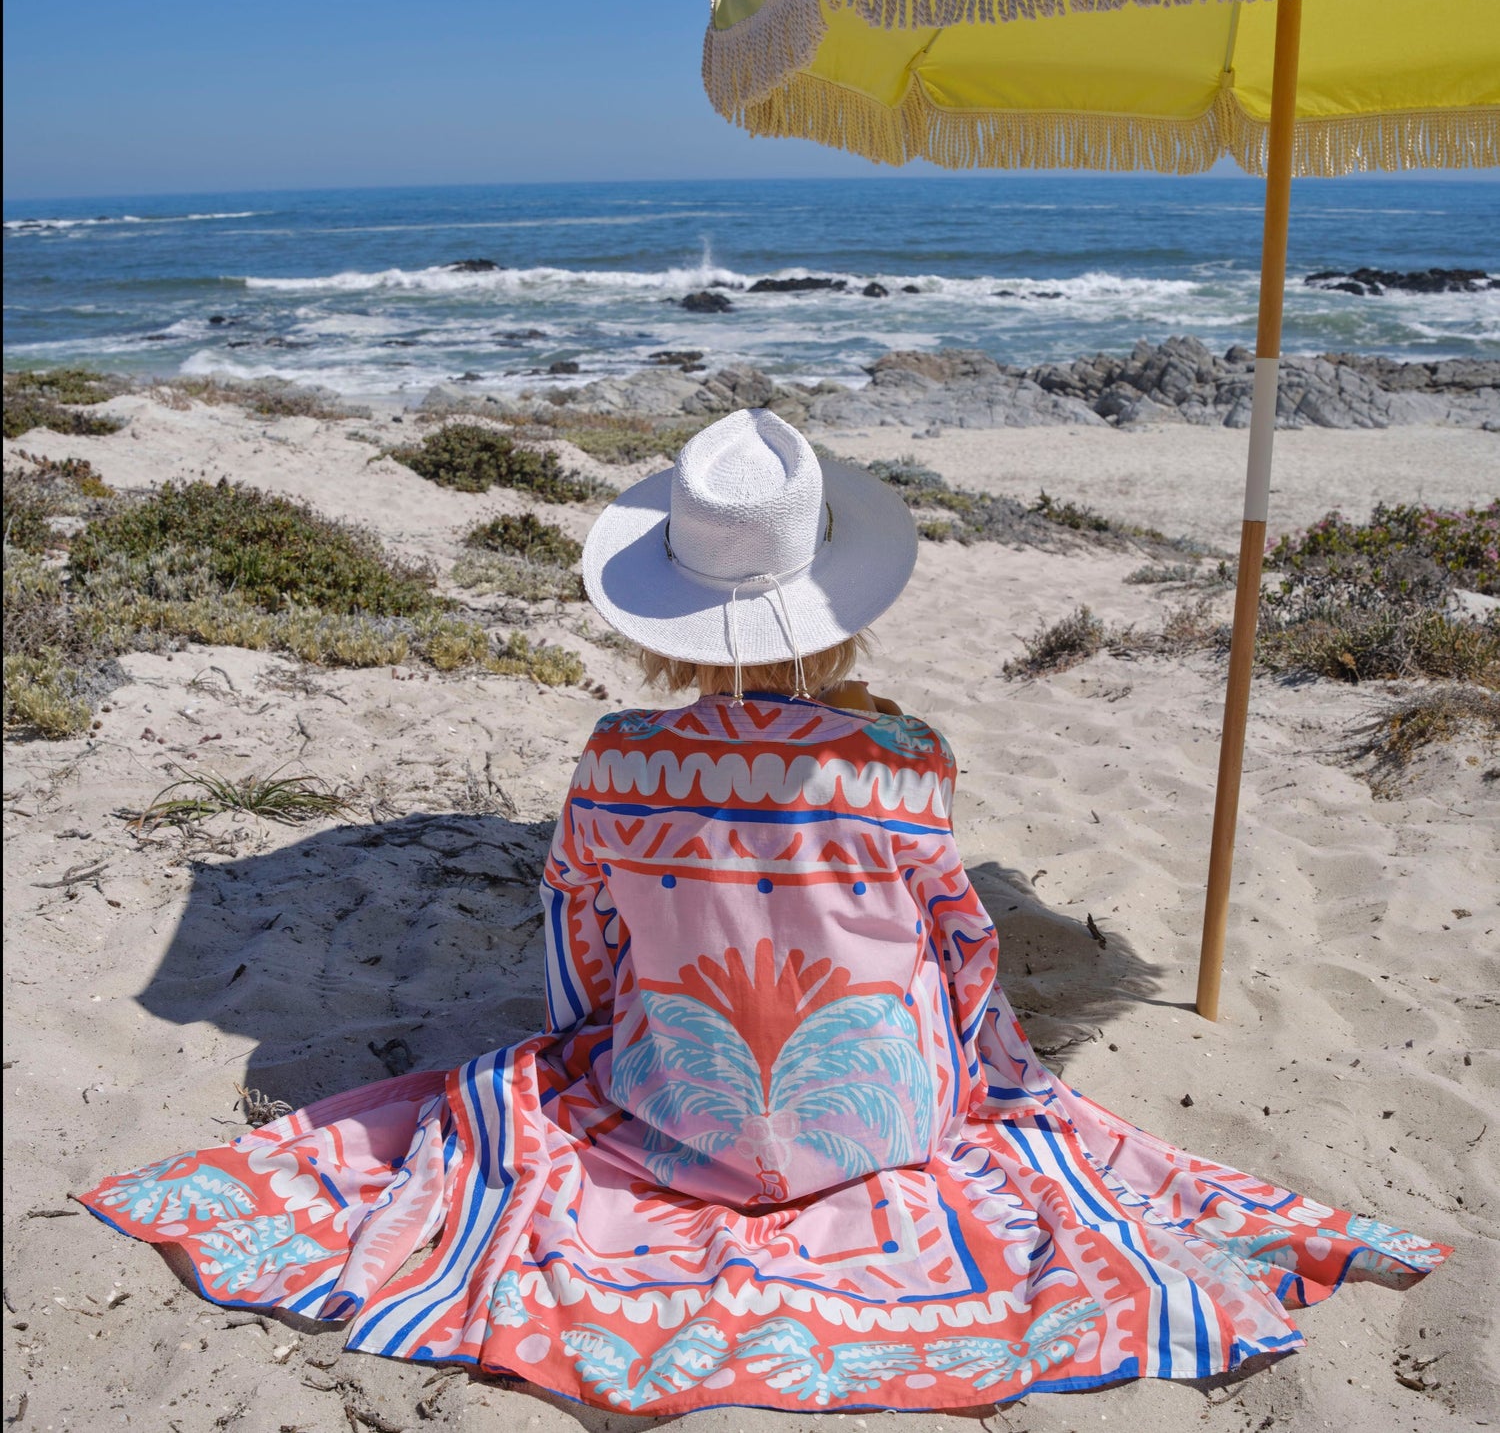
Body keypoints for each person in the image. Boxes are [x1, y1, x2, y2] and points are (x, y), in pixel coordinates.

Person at [81, 408, 1448, 1415]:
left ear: (664, 615)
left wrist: (601, 1045)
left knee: (550, 1062)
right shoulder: (903, 757)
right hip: (891, 1119)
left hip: (674, 1109)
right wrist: (991, 1078)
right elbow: (955, 951)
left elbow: (586, 952)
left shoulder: (619, 755)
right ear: (839, 603)